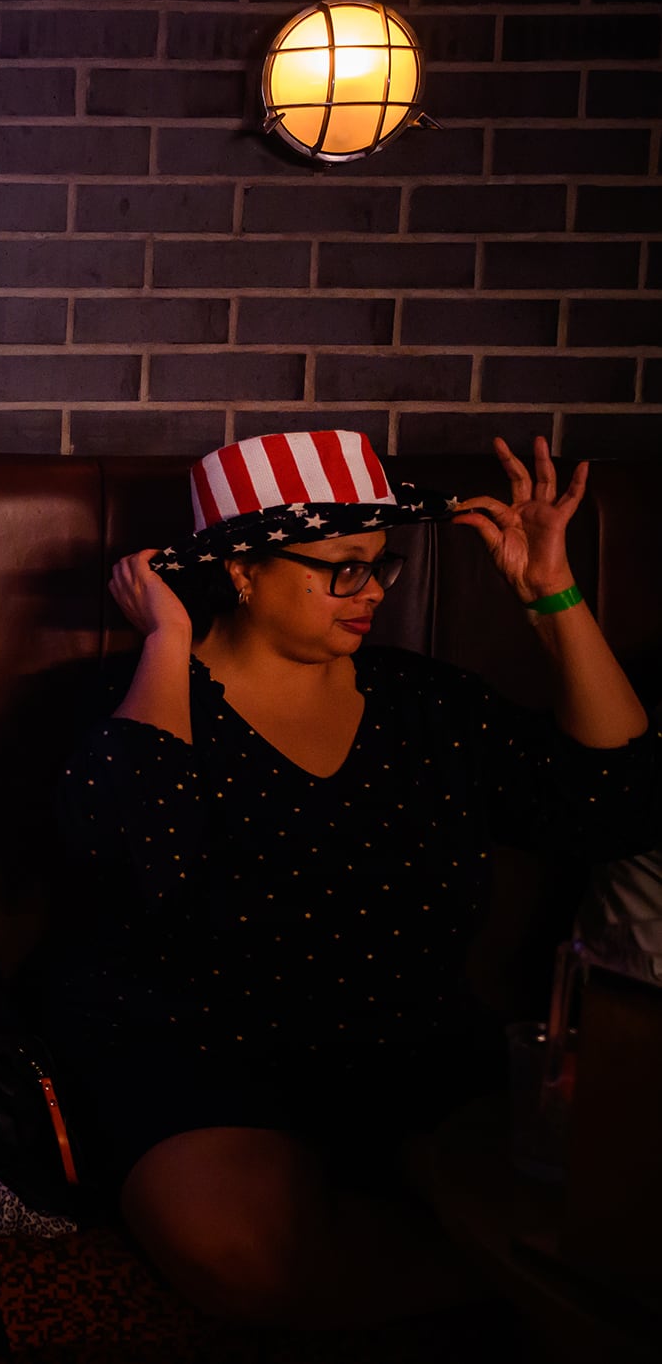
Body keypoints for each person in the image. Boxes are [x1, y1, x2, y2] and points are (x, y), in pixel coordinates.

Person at [33, 431, 659, 1330]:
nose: (370, 593)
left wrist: (549, 595)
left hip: (414, 1044)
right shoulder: (137, 699)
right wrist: (169, 637)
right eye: (341, 569)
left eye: (380, 567)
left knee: (610, 1203)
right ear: (241, 571)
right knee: (248, 1258)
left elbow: (616, 806)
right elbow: (140, 859)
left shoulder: (424, 704)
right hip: (198, 1054)